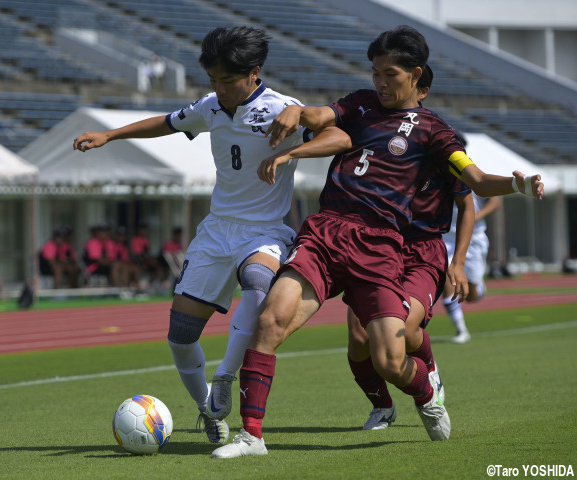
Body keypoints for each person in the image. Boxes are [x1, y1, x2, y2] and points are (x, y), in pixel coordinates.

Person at [211, 25, 544, 458]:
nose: (380, 82)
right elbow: (322, 116)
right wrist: (298, 112)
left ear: (414, 76)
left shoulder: (436, 133)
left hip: (382, 246)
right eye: (375, 73)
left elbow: (476, 182)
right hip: (327, 230)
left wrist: (516, 185)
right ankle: (251, 436)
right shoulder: (361, 103)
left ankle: (425, 390)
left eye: (389, 74)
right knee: (271, 318)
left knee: (388, 357)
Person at [73, 26, 351, 446]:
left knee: (259, 284)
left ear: (253, 73)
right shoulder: (211, 107)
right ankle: (208, 408)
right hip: (217, 231)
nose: (218, 89)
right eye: (213, 80)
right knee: (181, 336)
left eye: (226, 80)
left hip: (266, 230)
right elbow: (166, 123)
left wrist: (291, 151)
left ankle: (225, 375)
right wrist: (110, 135)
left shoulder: (283, 109)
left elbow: (340, 137)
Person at [345, 64, 475, 431]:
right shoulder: (386, 142)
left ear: (421, 89)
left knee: (399, 328)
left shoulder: (443, 149)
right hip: (376, 245)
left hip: (422, 251)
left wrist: (459, 262)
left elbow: (468, 204)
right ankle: (382, 406)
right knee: (359, 339)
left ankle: (427, 369)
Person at [441, 190, 502, 343]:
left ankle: (478, 287)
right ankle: (461, 330)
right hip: (447, 237)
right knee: (446, 278)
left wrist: (472, 218)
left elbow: (495, 202)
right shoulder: (439, 173)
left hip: (473, 238)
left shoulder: (472, 174)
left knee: (470, 295)